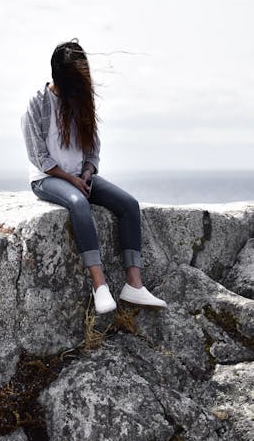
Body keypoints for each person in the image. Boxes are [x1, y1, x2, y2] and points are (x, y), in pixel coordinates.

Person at [21, 39, 167, 314]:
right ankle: (99, 285)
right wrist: (71, 179)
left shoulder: (82, 103)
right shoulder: (38, 104)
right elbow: (39, 156)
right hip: (47, 178)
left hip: (80, 176)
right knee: (78, 204)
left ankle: (134, 284)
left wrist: (87, 172)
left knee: (129, 205)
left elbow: (92, 150)